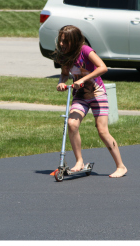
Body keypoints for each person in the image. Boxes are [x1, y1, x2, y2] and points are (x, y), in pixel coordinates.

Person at [54, 25, 127, 178]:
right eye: (61, 41)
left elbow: (103, 67)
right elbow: (64, 74)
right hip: (80, 95)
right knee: (72, 124)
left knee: (102, 131)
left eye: (65, 42)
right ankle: (79, 161)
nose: (61, 44)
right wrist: (61, 82)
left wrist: (83, 79)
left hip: (97, 94)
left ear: (74, 41)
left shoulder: (85, 50)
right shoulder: (64, 55)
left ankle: (121, 166)